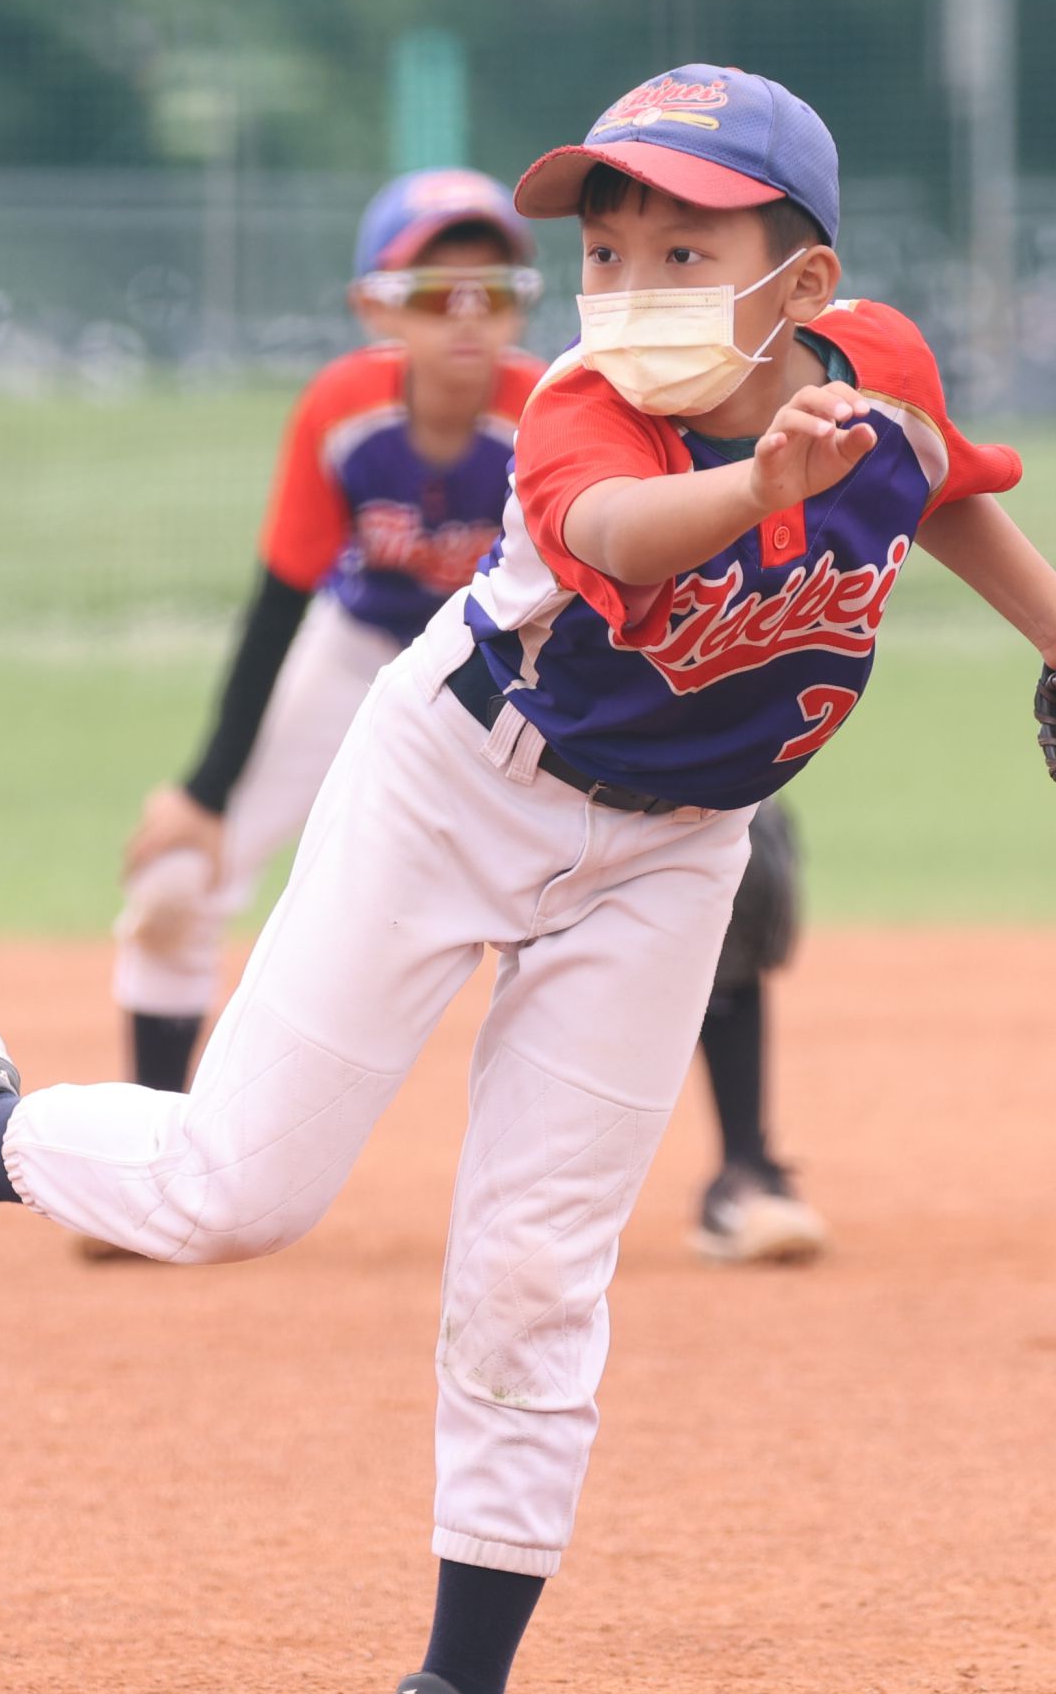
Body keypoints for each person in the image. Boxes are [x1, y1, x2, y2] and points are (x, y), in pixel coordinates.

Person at [0, 65, 1056, 1694]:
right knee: (233, 1192)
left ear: (803, 282)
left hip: (673, 853)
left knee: (536, 1264)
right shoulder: (578, 409)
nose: (629, 283)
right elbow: (612, 533)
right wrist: (759, 485)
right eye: (609, 246)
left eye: (685, 248)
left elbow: (941, 482)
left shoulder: (874, 374)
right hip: (456, 788)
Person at [107, 166, 827, 1265]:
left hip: (528, 672)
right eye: (433, 293)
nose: (465, 319)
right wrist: (206, 792)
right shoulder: (343, 414)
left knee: (702, 871)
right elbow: (279, 600)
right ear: (375, 308)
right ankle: (153, 1162)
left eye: (491, 292)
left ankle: (747, 1171)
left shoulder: (557, 406)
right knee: (170, 881)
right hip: (361, 656)